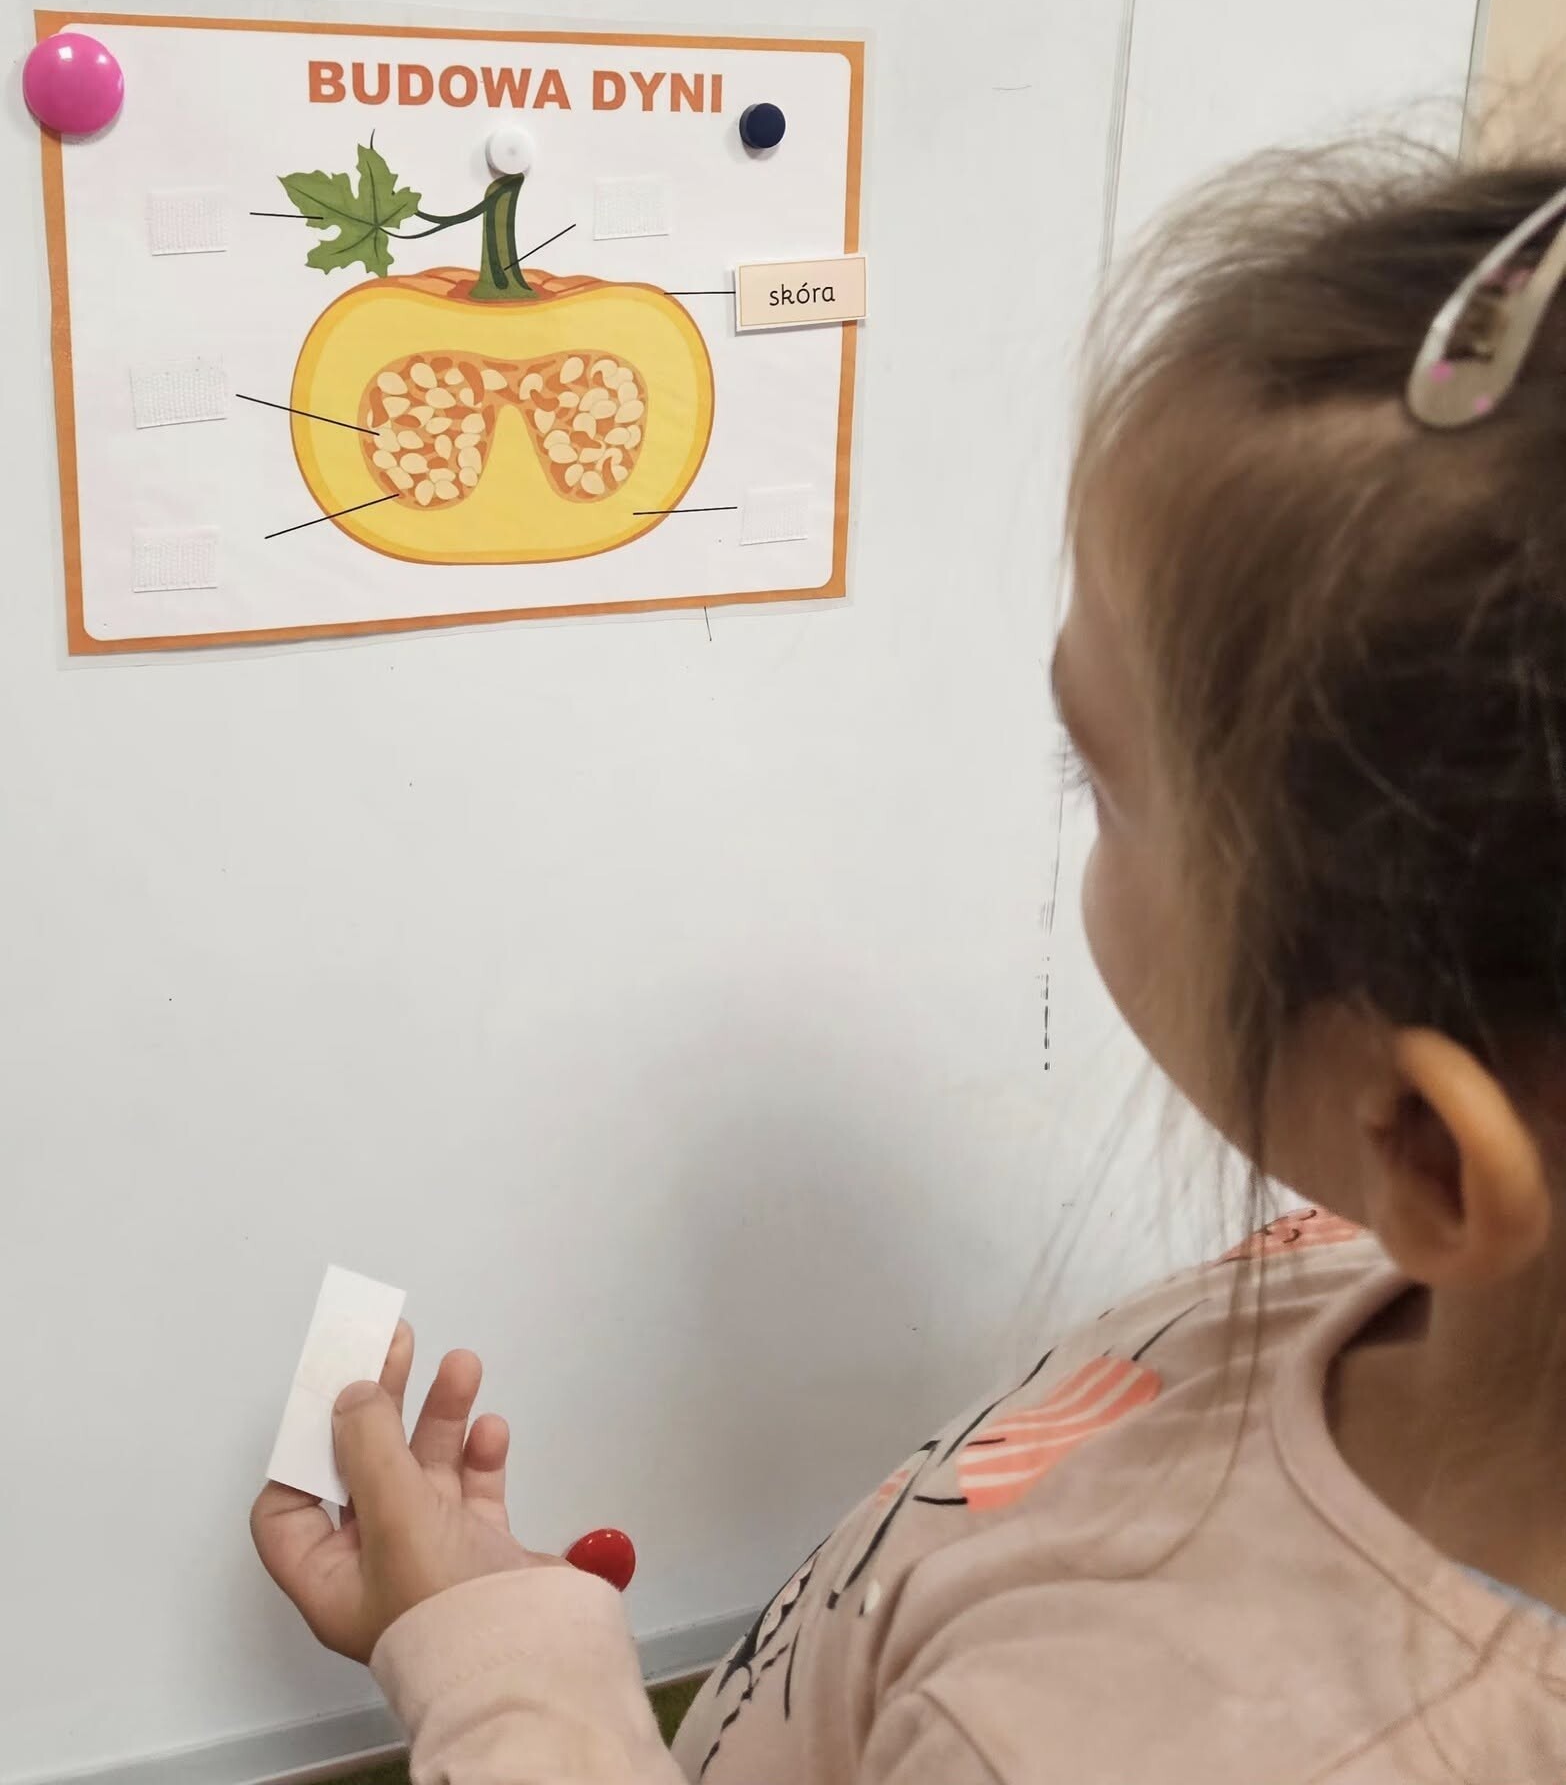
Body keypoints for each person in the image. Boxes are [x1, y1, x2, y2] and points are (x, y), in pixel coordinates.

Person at [253, 145, 1566, 1780]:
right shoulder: (1374, 1263)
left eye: (1094, 777)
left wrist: (502, 1671)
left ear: (1429, 1147)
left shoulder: (1094, 1742)